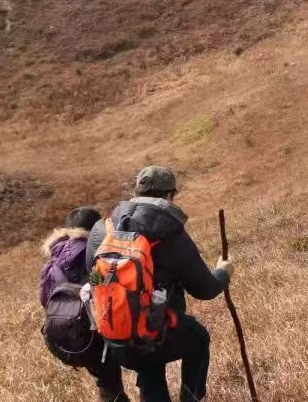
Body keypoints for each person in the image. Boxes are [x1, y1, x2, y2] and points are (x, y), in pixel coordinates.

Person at [87, 166, 233, 402]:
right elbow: (205, 289)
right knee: (198, 339)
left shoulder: (102, 229)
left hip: (115, 338)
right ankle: (191, 399)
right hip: (155, 332)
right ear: (169, 195)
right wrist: (223, 273)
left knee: (148, 365)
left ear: (137, 191)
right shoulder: (170, 233)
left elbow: (93, 278)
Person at [40, 206, 130, 402]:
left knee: (107, 382)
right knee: (117, 379)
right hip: (95, 329)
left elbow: (44, 300)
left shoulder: (52, 261)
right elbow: (100, 284)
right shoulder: (92, 251)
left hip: (65, 333)